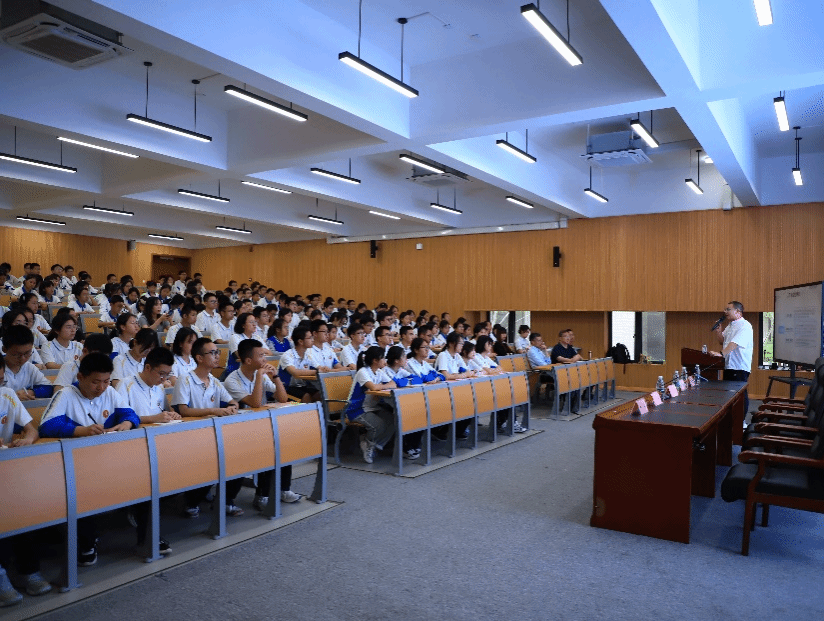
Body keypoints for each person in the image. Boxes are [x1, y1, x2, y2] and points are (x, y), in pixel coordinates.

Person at [39, 353, 162, 564]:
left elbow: (130, 414)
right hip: (77, 465)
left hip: (109, 460)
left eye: (106, 381)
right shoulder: (66, 395)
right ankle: (86, 543)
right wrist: (82, 431)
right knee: (83, 491)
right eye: (96, 382)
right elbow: (46, 426)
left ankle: (148, 538)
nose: (102, 387)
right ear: (81, 377)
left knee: (146, 481)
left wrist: (127, 423)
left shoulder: (110, 392)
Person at [222, 338, 301, 508]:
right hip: (238, 430)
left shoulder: (261, 375)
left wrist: (276, 376)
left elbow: (283, 398)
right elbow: (255, 403)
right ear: (248, 360)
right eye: (261, 356)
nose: (265, 360)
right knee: (266, 450)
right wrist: (259, 376)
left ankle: (282, 490)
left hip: (261, 426)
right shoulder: (232, 380)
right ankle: (260, 495)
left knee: (283, 446)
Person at [171, 338, 240, 517]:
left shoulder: (214, 381)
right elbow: (183, 410)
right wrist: (214, 410)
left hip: (213, 434)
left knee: (240, 459)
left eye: (218, 352)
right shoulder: (185, 379)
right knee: (211, 462)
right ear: (199, 358)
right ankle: (191, 502)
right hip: (190, 436)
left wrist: (232, 407)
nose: (217, 356)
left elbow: (232, 401)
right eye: (213, 353)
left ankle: (225, 501)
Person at [0, 356, 49, 605]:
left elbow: (31, 428)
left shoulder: (7, 394)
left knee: (23, 510)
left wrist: (28, 438)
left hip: (8, 470)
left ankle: (28, 571)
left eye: (1, 381)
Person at [344, 346, 398, 464]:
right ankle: (369, 445)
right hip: (356, 409)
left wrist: (382, 386)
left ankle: (371, 444)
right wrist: (383, 386)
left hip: (372, 407)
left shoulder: (379, 372)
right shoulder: (363, 372)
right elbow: (373, 387)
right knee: (378, 425)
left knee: (393, 420)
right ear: (375, 360)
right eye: (382, 358)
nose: (385, 360)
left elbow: (393, 383)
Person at [710, 300, 754, 416]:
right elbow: (722, 342)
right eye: (725, 309)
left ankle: (742, 421)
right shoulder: (730, 325)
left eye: (728, 309)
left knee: (739, 395)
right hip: (729, 365)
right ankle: (732, 420)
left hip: (739, 366)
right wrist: (719, 332)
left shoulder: (745, 326)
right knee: (729, 395)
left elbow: (734, 343)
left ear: (738, 311)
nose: (725, 311)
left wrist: (721, 354)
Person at [117, 346, 180, 424]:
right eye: (161, 374)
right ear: (147, 367)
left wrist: (172, 415)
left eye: (167, 374)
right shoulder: (125, 385)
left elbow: (164, 412)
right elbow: (119, 418)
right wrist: (153, 419)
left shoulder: (159, 387)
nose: (164, 379)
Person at [1, 325, 53, 400]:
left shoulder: (29, 367)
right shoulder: (1, 369)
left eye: (27, 353)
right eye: (17, 354)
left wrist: (31, 392)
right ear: (4, 349)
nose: (22, 358)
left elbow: (49, 388)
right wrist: (12, 396)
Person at [278, 326, 321, 402]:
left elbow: (319, 367)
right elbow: (295, 372)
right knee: (306, 396)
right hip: (286, 388)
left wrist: (324, 369)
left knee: (320, 394)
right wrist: (316, 371)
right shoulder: (287, 355)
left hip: (303, 386)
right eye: (310, 338)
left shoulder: (308, 354)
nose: (313, 340)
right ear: (301, 341)